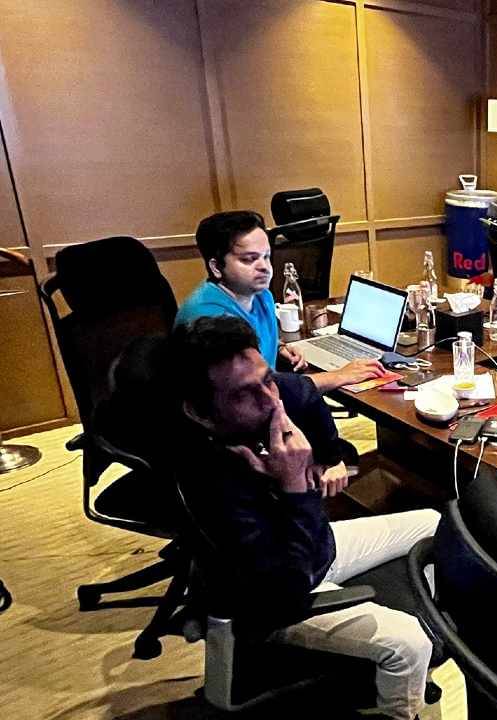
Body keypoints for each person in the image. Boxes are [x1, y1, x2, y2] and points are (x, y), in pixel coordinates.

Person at [167, 315, 439, 720]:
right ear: (200, 413)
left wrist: (329, 455)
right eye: (245, 393)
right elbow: (290, 590)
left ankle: (421, 636)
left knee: (434, 523)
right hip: (273, 602)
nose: (270, 400)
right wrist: (295, 484)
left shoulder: (263, 408)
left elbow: (303, 390)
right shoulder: (210, 482)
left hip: (315, 548)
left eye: (267, 380)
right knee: (411, 644)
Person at [175, 210, 388, 392]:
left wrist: (279, 347)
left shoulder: (261, 296)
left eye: (266, 256)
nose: (264, 267)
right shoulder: (208, 317)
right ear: (216, 267)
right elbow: (257, 389)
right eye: (249, 259)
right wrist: (338, 376)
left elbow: (255, 338)